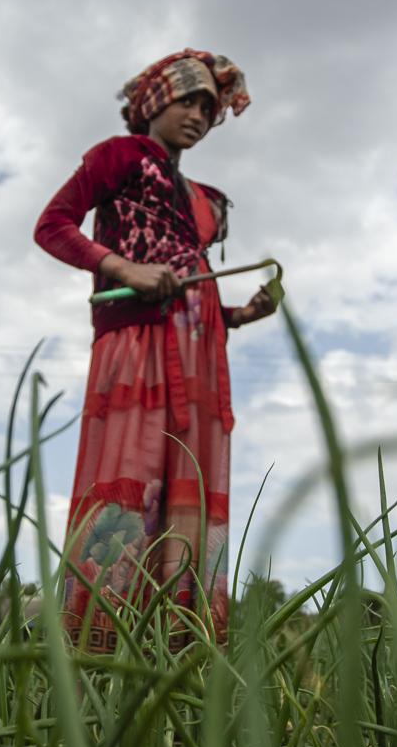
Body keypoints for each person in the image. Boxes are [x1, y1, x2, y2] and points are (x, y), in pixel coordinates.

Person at [33, 50, 277, 651]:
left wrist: (241, 313)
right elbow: (52, 225)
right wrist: (123, 267)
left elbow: (191, 283)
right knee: (131, 467)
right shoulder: (117, 156)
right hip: (135, 342)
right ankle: (98, 641)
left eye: (208, 108)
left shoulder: (198, 194)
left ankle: (182, 643)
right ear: (152, 103)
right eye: (186, 101)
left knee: (186, 477)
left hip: (199, 353)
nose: (198, 114)